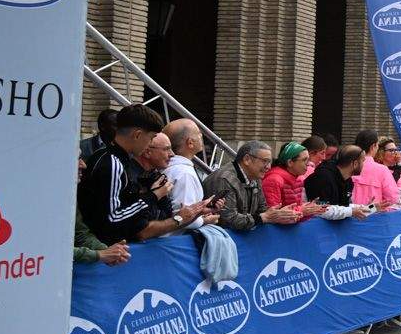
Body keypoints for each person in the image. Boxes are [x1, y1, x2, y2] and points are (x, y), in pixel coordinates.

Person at [79, 104, 214, 243]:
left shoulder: (115, 159)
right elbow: (113, 218)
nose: (149, 144)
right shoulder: (112, 163)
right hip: (107, 249)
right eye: (151, 138)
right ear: (137, 135)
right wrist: (154, 196)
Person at [203, 140, 300, 232]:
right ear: (247, 159)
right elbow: (227, 220)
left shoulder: (255, 177)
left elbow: (262, 209)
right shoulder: (224, 179)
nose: (268, 167)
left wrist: (279, 214)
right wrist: (262, 218)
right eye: (265, 161)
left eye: (270, 162)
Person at [302, 145, 373, 220]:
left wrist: (371, 208)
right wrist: (351, 212)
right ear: (355, 164)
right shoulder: (323, 177)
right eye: (363, 161)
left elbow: (344, 206)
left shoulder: (348, 180)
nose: (363, 165)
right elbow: (321, 210)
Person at [262, 142, 315, 212]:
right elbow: (273, 213)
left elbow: (298, 207)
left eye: (308, 160)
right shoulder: (273, 180)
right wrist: (302, 210)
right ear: (290, 162)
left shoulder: (299, 178)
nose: (308, 164)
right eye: (304, 160)